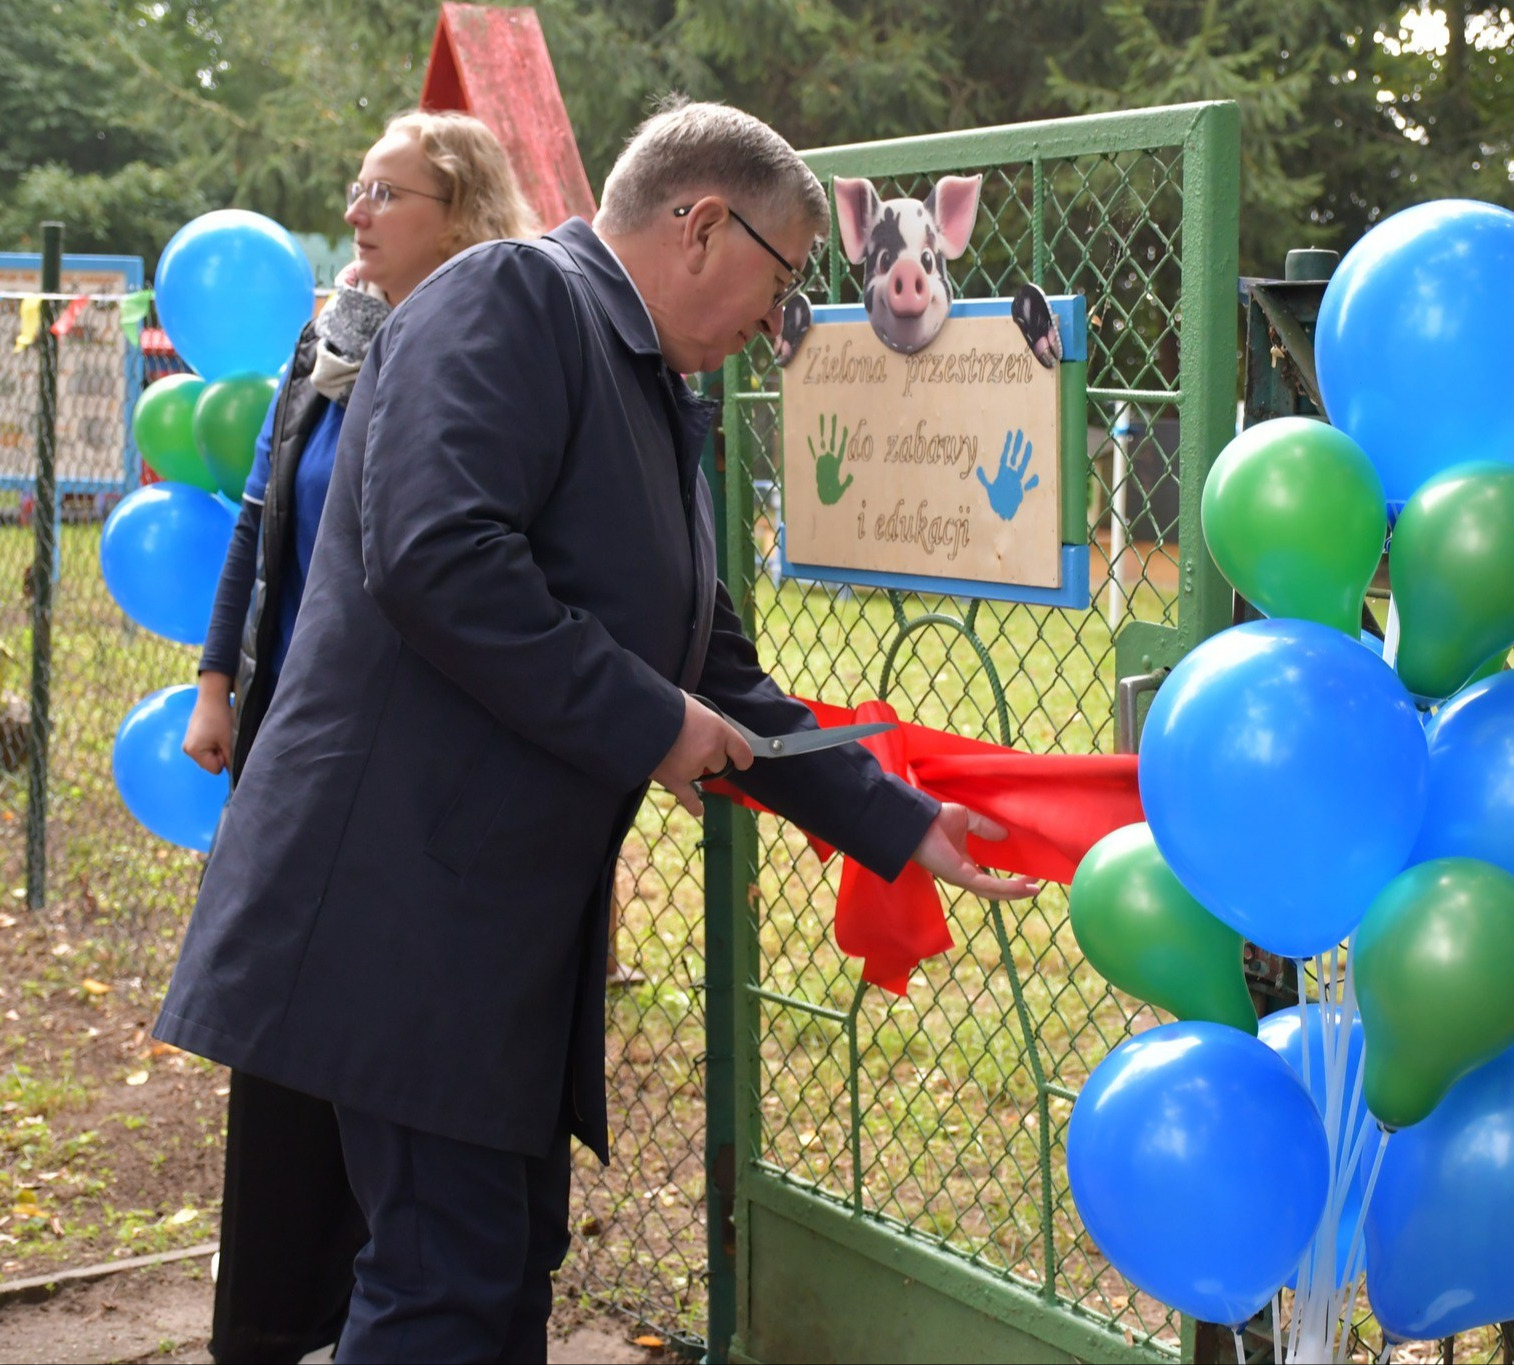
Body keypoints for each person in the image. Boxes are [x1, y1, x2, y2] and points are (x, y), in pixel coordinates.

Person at [155, 95, 1038, 1363]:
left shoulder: (641, 380)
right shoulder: (510, 297)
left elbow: (714, 671)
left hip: (480, 926)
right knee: (443, 1284)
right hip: (396, 908)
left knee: (500, 1265)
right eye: (786, 277)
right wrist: (651, 720)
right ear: (701, 225)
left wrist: (898, 820)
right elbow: (437, 557)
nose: (777, 321)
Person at [179, 109, 541, 1364]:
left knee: (385, 1059)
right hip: (299, 741)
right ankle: (280, 1322)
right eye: (357, 187)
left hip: (415, 773)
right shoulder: (326, 341)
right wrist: (218, 682)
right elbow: (258, 516)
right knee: (286, 1052)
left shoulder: (497, 354)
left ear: (463, 210)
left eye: (385, 193)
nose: (354, 214)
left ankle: (381, 1305)